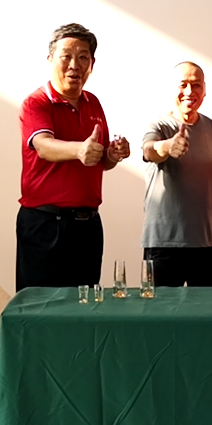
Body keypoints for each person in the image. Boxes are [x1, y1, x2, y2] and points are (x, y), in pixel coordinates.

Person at [17, 23, 131, 289]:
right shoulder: (36, 102)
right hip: (46, 224)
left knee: (87, 303)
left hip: (88, 226)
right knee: (42, 305)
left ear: (92, 64)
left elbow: (100, 160)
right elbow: (43, 146)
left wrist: (113, 154)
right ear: (50, 59)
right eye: (66, 56)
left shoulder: (93, 102)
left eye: (83, 57)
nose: (74, 65)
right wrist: (79, 150)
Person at [140, 61, 212, 286]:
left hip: (209, 243)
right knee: (160, 308)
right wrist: (168, 146)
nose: (189, 91)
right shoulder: (158, 124)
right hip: (164, 244)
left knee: (207, 309)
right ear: (171, 88)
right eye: (183, 85)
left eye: (196, 85)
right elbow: (149, 150)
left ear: (204, 90)